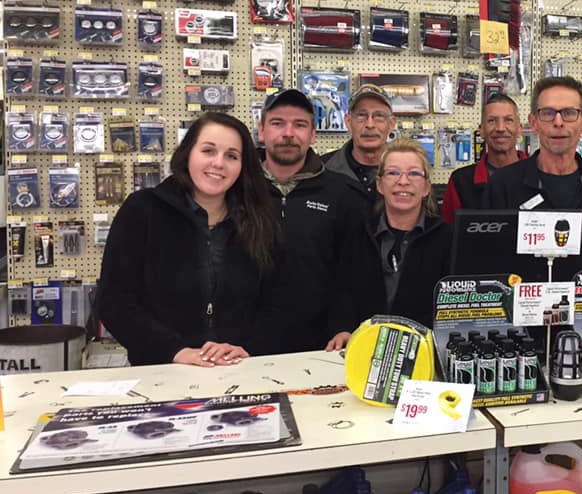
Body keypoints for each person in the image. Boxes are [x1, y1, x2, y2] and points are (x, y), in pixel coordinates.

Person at [96, 112, 281, 367]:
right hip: (163, 369)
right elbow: (114, 301)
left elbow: (277, 299)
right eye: (208, 151)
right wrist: (175, 351)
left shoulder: (259, 217)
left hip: (239, 368)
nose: (219, 163)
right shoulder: (143, 210)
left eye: (231, 156)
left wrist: (248, 346)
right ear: (188, 153)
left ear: (243, 166)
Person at [259, 89, 366, 352]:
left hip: (323, 346)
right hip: (244, 347)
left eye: (299, 125)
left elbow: (353, 272)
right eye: (277, 123)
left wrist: (345, 325)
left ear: (313, 134)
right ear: (261, 131)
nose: (288, 133)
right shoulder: (237, 190)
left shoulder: (344, 194)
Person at [343, 139, 452, 328]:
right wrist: (342, 329)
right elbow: (341, 290)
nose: (403, 181)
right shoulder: (358, 233)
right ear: (380, 184)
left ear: (426, 187)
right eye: (393, 173)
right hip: (363, 340)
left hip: (423, 343)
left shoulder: (447, 238)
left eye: (414, 173)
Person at [484, 76, 582, 210]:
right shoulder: (502, 184)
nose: (558, 122)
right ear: (533, 123)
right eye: (548, 113)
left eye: (569, 113)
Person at [441, 93, 525, 224]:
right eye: (492, 121)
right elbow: (448, 231)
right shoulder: (460, 181)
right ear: (481, 131)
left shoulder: (539, 176)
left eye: (508, 120)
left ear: (519, 129)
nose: (500, 128)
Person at [320, 84, 396, 206]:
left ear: (391, 124)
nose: (370, 125)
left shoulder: (409, 171)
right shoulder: (321, 169)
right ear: (348, 122)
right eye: (361, 115)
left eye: (379, 116)